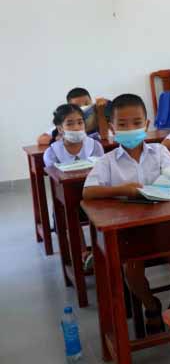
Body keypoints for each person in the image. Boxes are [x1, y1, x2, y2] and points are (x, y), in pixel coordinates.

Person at [83, 94, 170, 334]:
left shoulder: (159, 152)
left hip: (165, 223)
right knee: (131, 268)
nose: (130, 129)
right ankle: (151, 304)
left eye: (136, 123)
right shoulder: (107, 162)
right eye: (122, 125)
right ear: (112, 128)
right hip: (131, 229)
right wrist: (121, 190)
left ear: (147, 124)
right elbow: (88, 192)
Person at [44, 103, 105, 271]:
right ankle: (84, 254)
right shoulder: (52, 152)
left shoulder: (94, 145)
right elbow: (55, 178)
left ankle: (104, 250)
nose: (76, 127)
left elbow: (103, 170)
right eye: (70, 123)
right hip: (69, 201)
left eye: (80, 122)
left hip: (95, 195)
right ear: (60, 128)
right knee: (67, 213)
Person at [37, 87, 109, 145]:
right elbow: (41, 139)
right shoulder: (67, 122)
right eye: (77, 106)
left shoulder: (98, 113)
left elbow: (104, 137)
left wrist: (101, 111)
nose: (83, 108)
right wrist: (60, 138)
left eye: (87, 103)